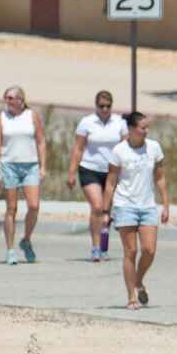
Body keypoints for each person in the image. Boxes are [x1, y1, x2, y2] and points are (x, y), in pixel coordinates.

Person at [104, 110, 169, 310]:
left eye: (147, 127)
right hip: (125, 205)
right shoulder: (119, 151)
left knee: (149, 250)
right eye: (142, 128)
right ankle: (131, 296)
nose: (146, 131)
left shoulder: (154, 148)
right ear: (131, 129)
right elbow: (111, 181)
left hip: (147, 204)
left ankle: (138, 279)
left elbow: (159, 177)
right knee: (130, 251)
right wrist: (105, 210)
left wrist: (165, 204)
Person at [67, 91, 123, 262]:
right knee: (97, 207)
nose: (104, 109)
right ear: (96, 106)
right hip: (89, 168)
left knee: (106, 210)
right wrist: (71, 172)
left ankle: (105, 247)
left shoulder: (119, 123)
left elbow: (126, 146)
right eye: (101, 106)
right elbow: (78, 148)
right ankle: (96, 246)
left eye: (108, 106)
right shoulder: (87, 122)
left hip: (111, 172)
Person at [0, 86, 44, 265]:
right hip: (9, 164)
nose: (8, 101)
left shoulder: (31, 116)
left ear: (21, 100)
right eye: (6, 98)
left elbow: (41, 141)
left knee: (34, 205)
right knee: (11, 208)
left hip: (30, 164)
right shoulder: (2, 118)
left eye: (11, 98)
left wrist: (43, 167)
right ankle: (10, 250)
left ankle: (26, 239)